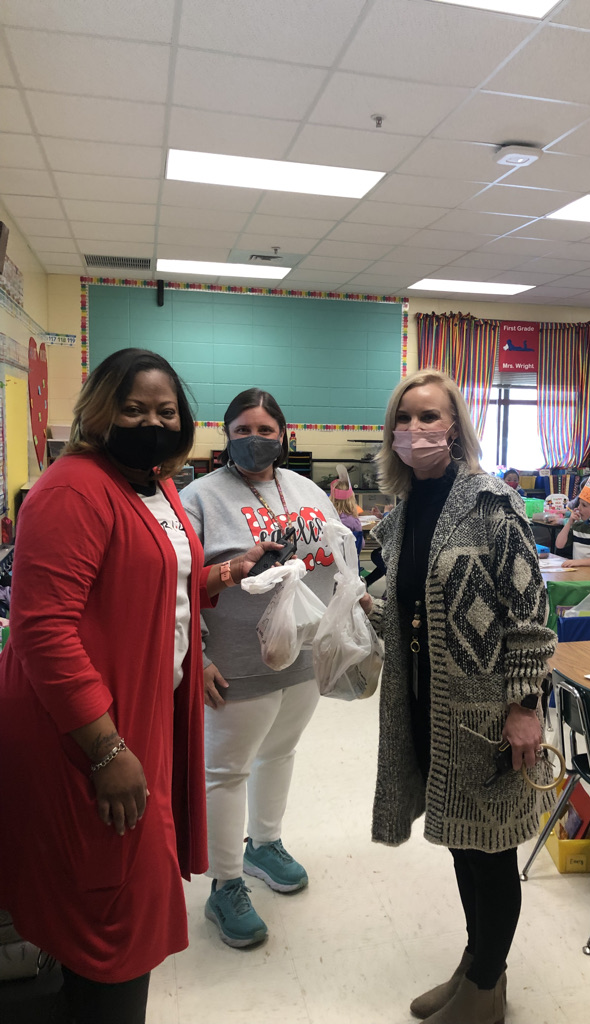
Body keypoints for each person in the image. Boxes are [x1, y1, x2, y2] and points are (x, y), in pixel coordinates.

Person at [0, 349, 279, 1024]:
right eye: (132, 408)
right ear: (99, 411)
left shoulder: (152, 485)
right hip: (85, 729)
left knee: (115, 891)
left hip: (139, 715)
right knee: (110, 910)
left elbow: (154, 579)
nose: (150, 421)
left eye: (165, 410)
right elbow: (44, 633)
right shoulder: (71, 490)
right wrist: (105, 749)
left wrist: (225, 573)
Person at [359, 369, 557, 1024]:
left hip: (488, 713)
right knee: (462, 843)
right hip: (428, 705)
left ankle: (486, 985)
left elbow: (530, 612)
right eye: (406, 418)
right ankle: (476, 969)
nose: (417, 430)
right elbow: (408, 597)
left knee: (490, 851)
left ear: (455, 428)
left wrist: (525, 707)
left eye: (431, 417)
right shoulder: (403, 514)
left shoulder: (491, 506)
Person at [180, 388, 342, 949]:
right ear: (226, 433)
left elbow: (336, 552)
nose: (256, 438)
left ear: (283, 435)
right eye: (243, 428)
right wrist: (195, 654)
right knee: (226, 772)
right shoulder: (199, 497)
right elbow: (178, 587)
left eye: (266, 429)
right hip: (233, 664)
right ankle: (224, 885)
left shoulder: (307, 490)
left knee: (279, 752)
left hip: (300, 658)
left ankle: (264, 845)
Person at [329, 466, 364, 563]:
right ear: (351, 499)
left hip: (329, 562)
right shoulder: (353, 521)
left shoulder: (327, 517)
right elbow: (361, 544)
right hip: (349, 564)